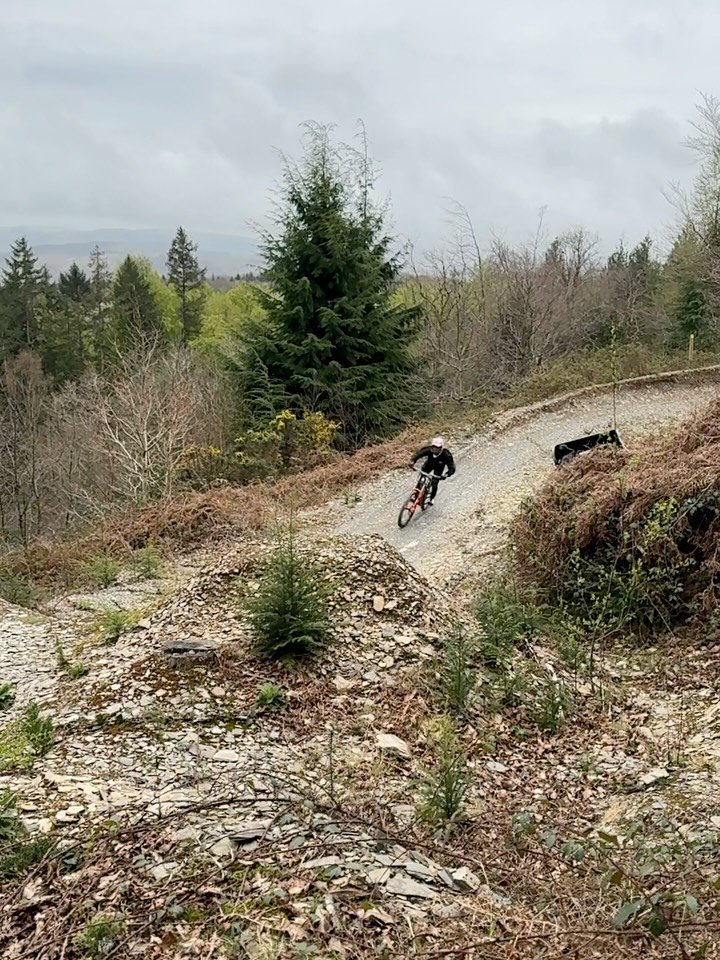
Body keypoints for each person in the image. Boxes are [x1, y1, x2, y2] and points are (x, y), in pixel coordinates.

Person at [409, 436, 455, 506]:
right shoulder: (429, 450)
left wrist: (446, 474)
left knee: (434, 483)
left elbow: (452, 467)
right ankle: (416, 494)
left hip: (438, 468)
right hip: (428, 465)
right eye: (433, 447)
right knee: (421, 479)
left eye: (437, 448)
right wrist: (413, 461)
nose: (434, 449)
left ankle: (431, 498)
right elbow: (419, 454)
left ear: (441, 448)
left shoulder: (446, 455)